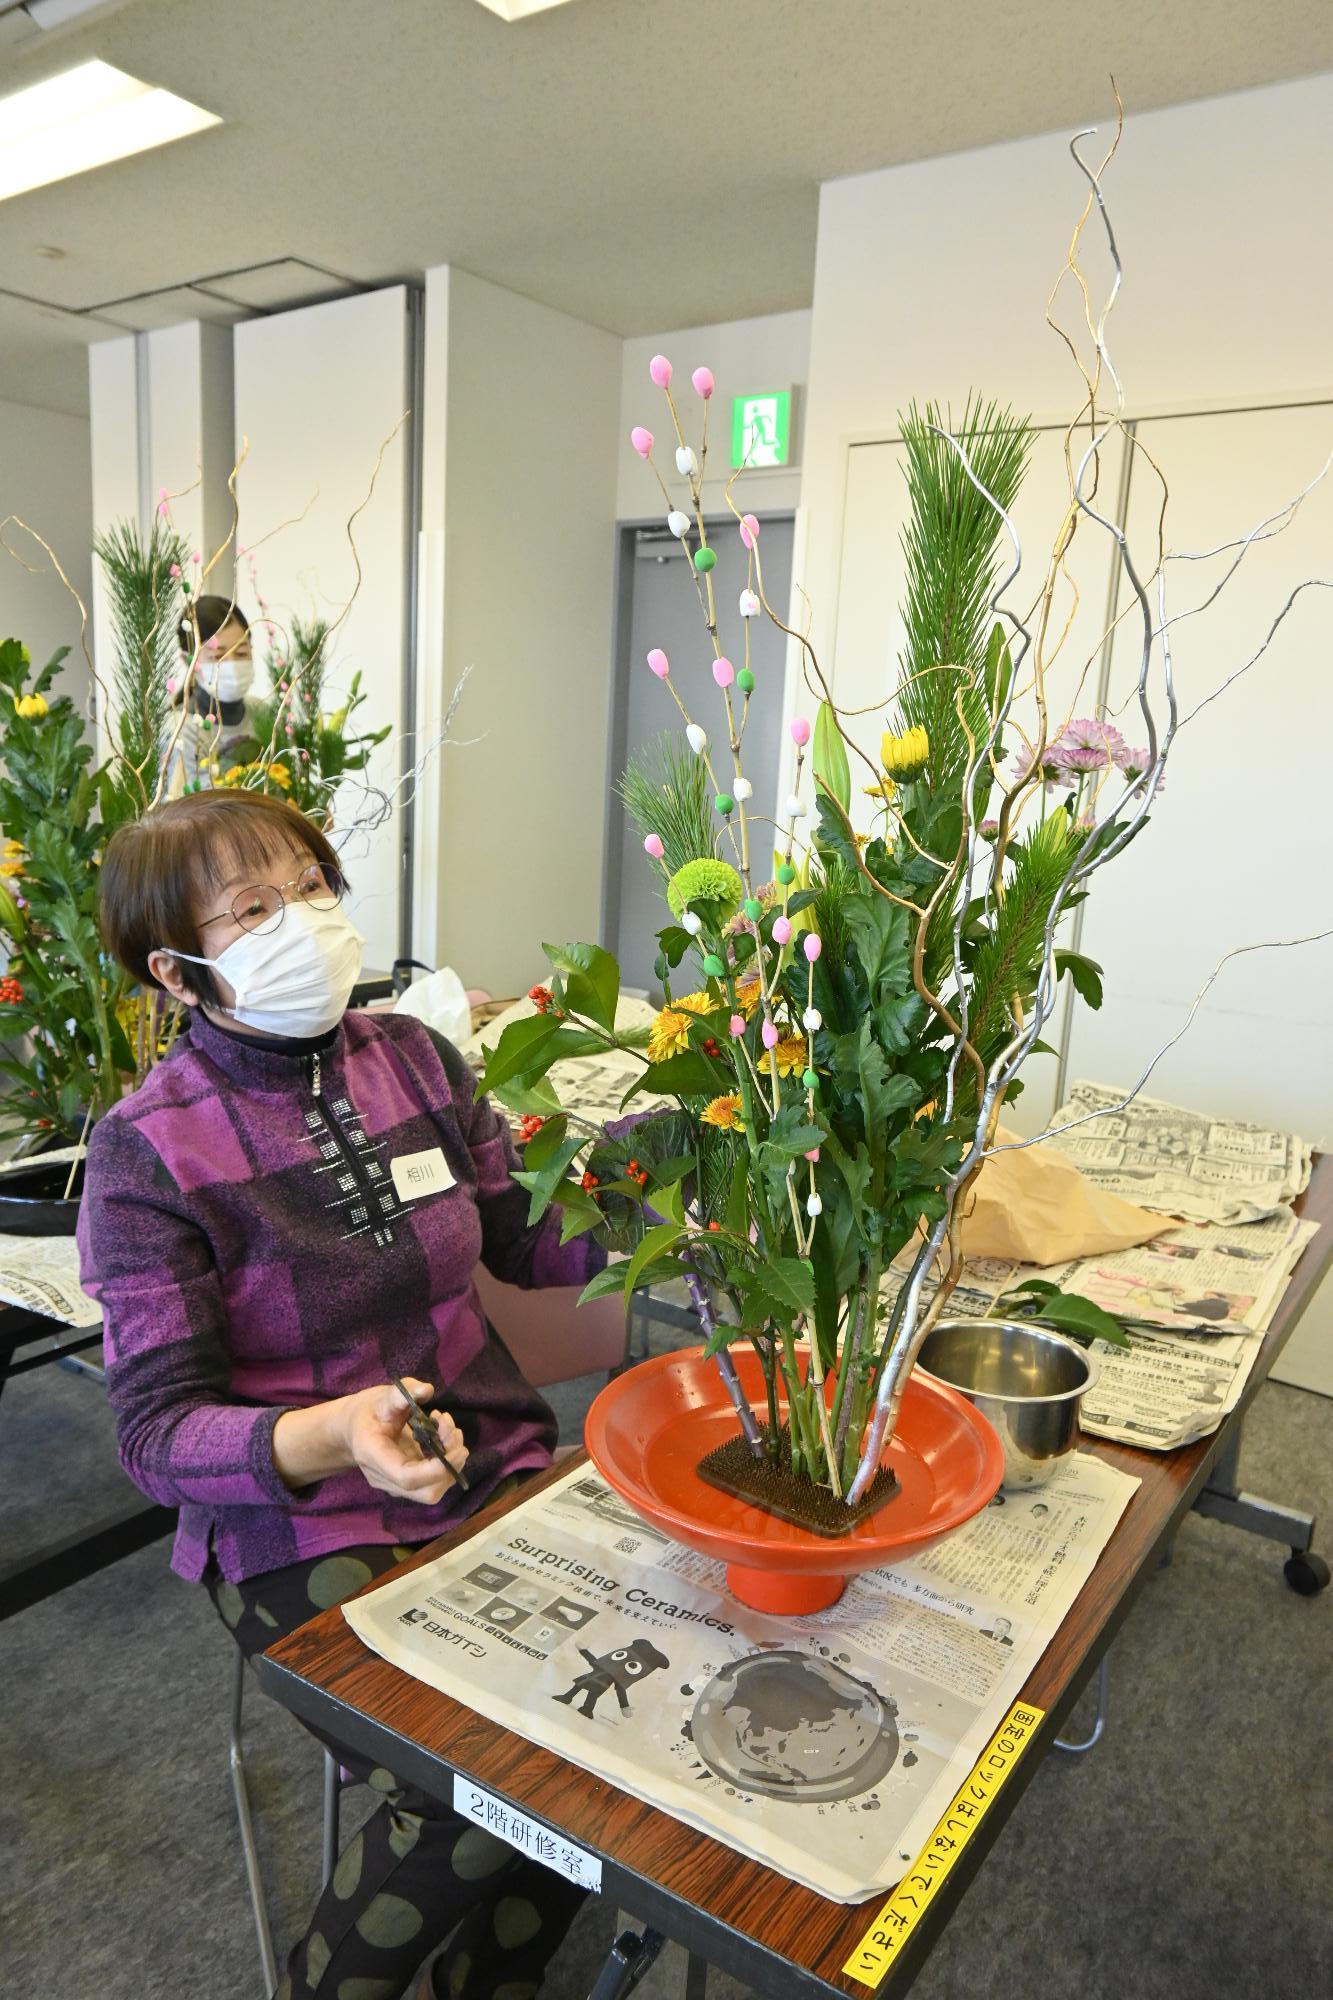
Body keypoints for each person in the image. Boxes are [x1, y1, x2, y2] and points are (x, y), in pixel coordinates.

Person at [77, 789, 599, 2000]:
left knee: (588, 1761)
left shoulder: (413, 1057)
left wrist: (679, 1179)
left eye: (313, 887)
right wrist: (332, 1435)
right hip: (296, 1523)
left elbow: (528, 1241)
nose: (303, 920)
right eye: (254, 907)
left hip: (495, 1465)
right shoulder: (150, 1148)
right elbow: (156, 1434)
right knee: (464, 1782)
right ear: (179, 967)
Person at [168, 593, 263, 788]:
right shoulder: (182, 730)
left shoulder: (262, 713)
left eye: (242, 653)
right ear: (189, 660)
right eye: (218, 656)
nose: (233, 665)